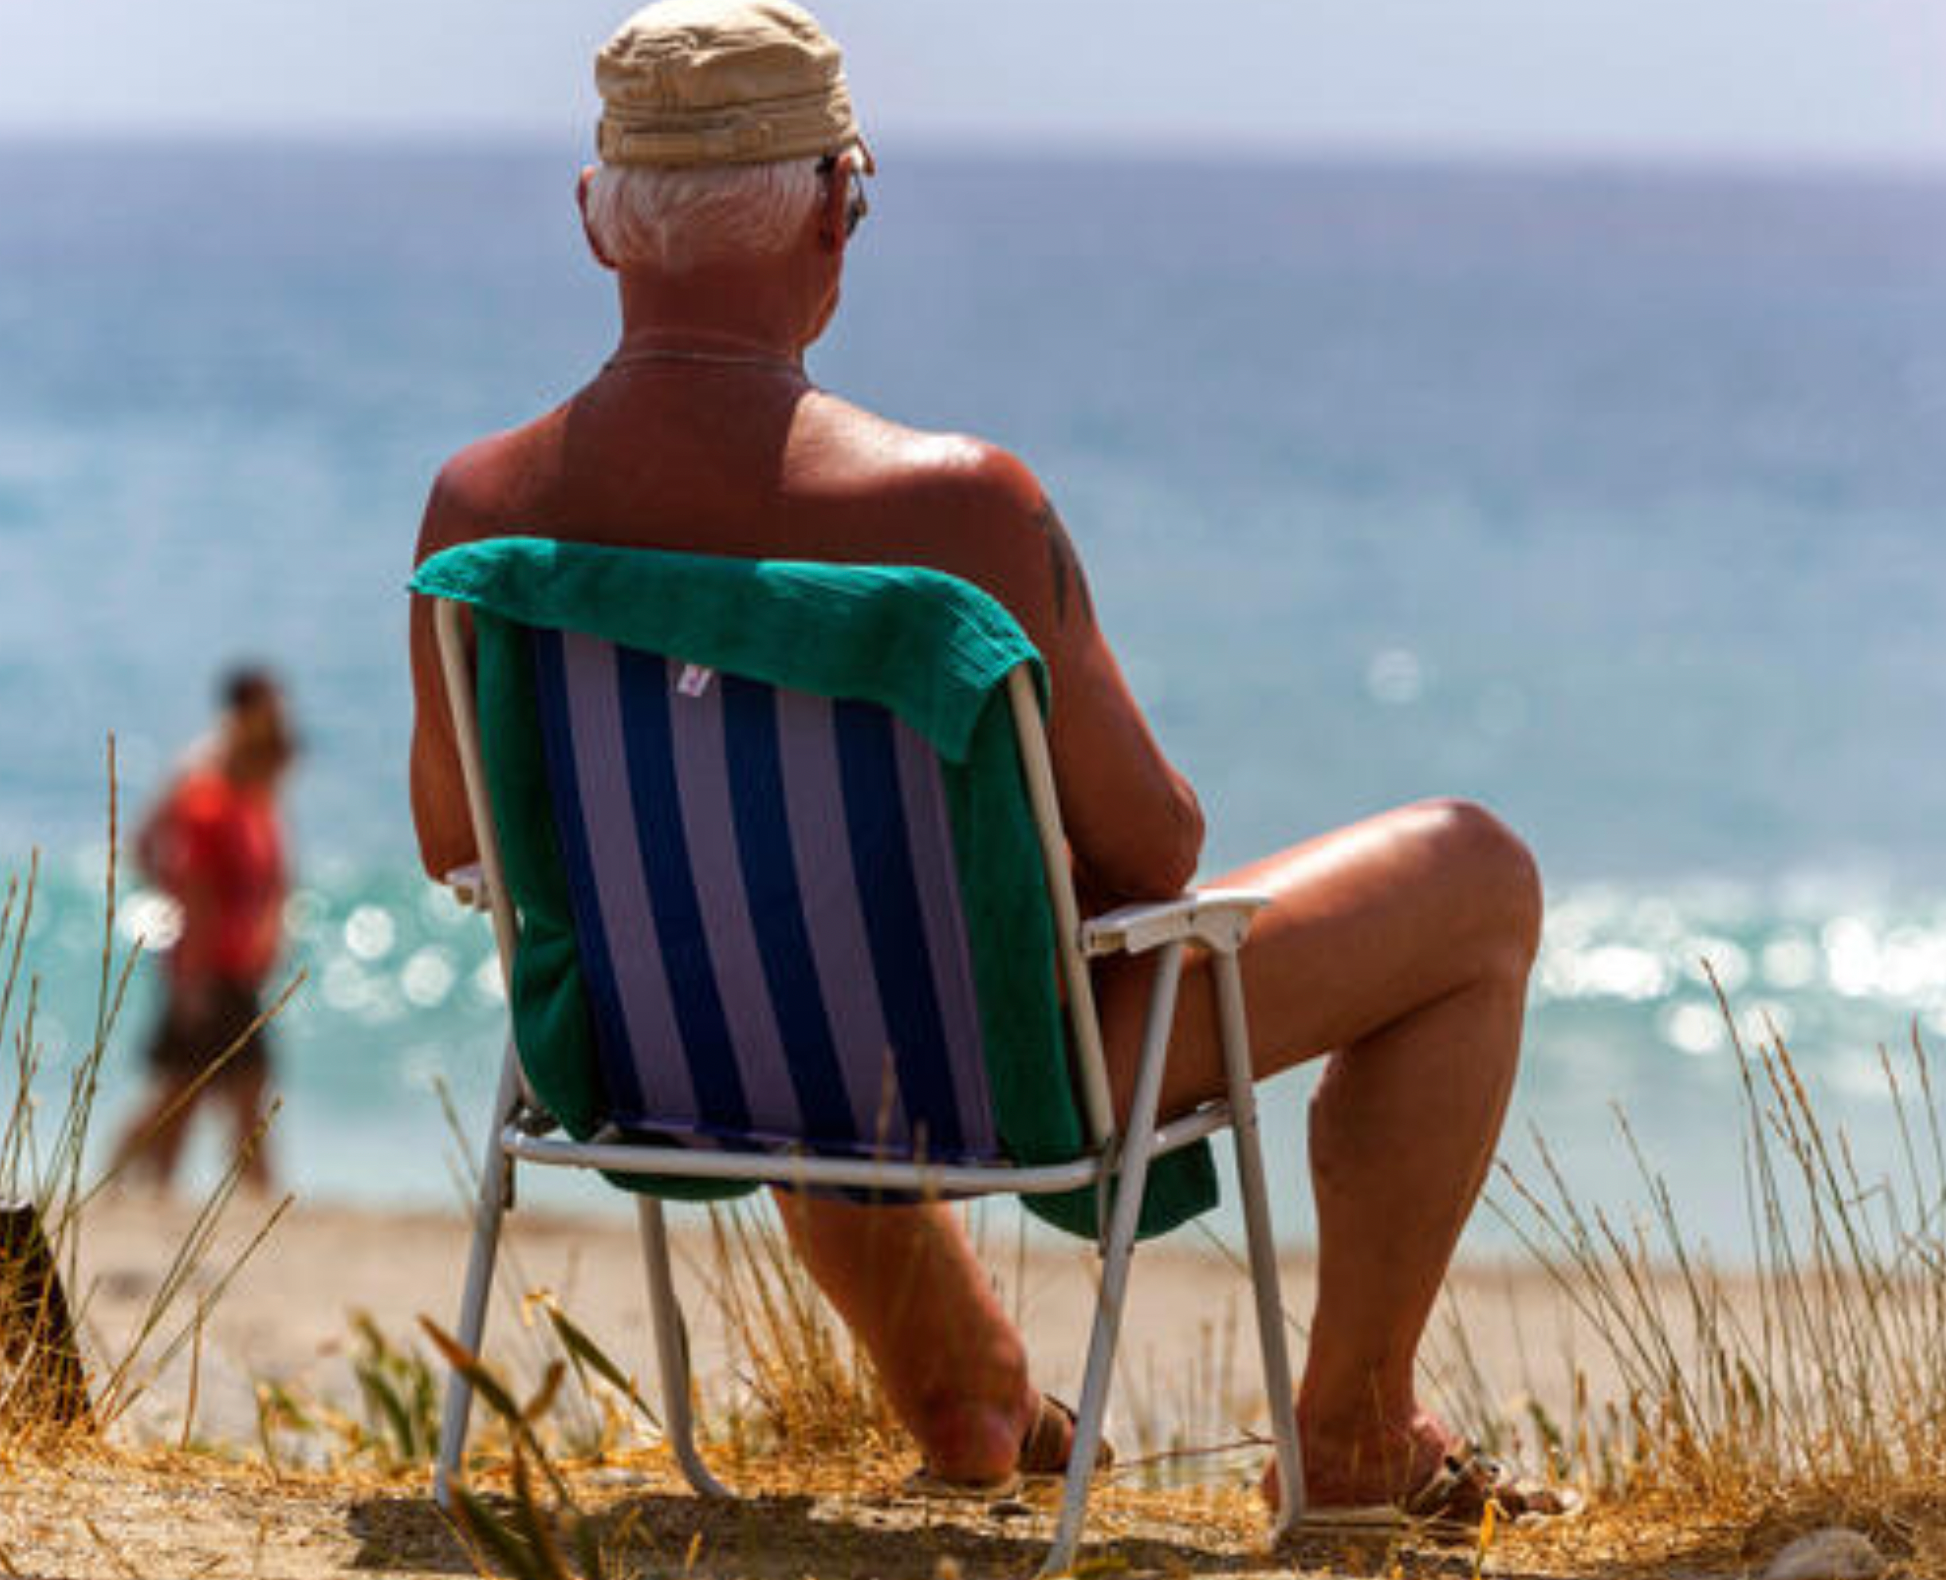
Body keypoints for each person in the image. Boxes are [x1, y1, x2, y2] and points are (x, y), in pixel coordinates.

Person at [409, 0, 1562, 1524]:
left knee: (789, 929)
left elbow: (454, 836)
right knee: (1471, 876)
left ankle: (964, 1390)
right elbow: (1153, 853)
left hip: (659, 1061)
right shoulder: (960, 508)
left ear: (594, 222)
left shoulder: (478, 512)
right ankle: (1352, 1431)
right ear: (836, 208)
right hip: (988, 1076)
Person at [112, 666, 294, 1196]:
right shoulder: (206, 789)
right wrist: (192, 969)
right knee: (187, 1096)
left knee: (200, 1095)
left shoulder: (249, 786)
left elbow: (268, 879)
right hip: (205, 965)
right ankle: (122, 1184)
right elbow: (176, 869)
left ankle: (133, 1186)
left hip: (230, 965)